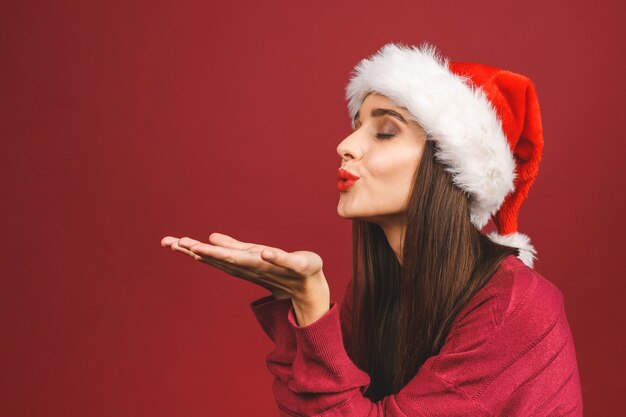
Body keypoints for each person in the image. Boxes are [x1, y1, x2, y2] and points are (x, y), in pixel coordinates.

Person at [161, 42, 583, 416]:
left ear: (450, 168)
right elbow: (313, 404)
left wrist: (311, 306)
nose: (346, 145)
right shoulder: (376, 293)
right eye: (357, 125)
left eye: (384, 132)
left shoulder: (517, 307)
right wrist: (292, 298)